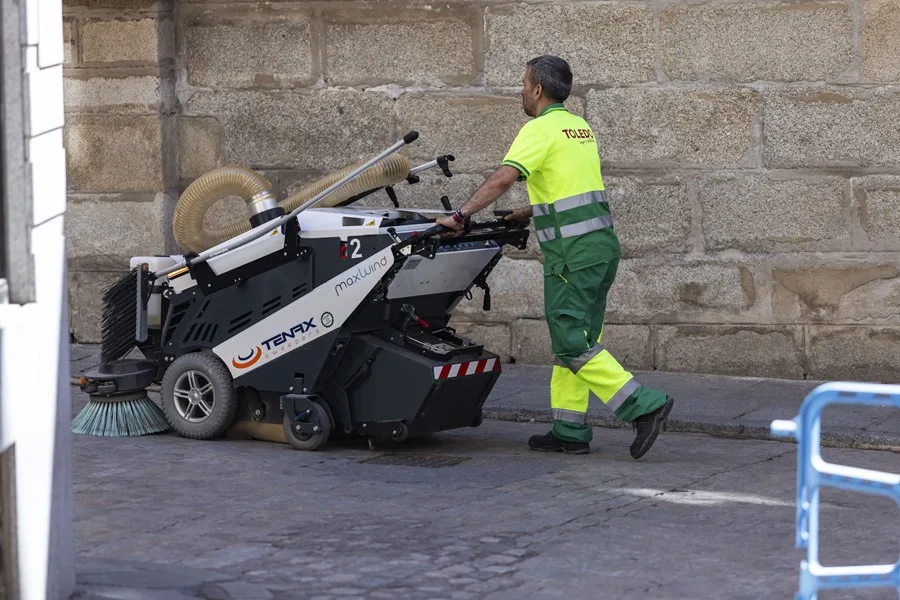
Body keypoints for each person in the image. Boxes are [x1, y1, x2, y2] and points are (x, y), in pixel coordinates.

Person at [435, 55, 674, 458]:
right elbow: (570, 187)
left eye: (523, 83)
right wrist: (526, 211)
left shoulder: (538, 129)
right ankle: (569, 430)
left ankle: (644, 406)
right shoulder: (579, 128)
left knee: (569, 343)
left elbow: (503, 177)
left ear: (538, 90)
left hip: (571, 256)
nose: (520, 90)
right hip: (601, 249)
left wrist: (460, 215)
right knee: (581, 342)